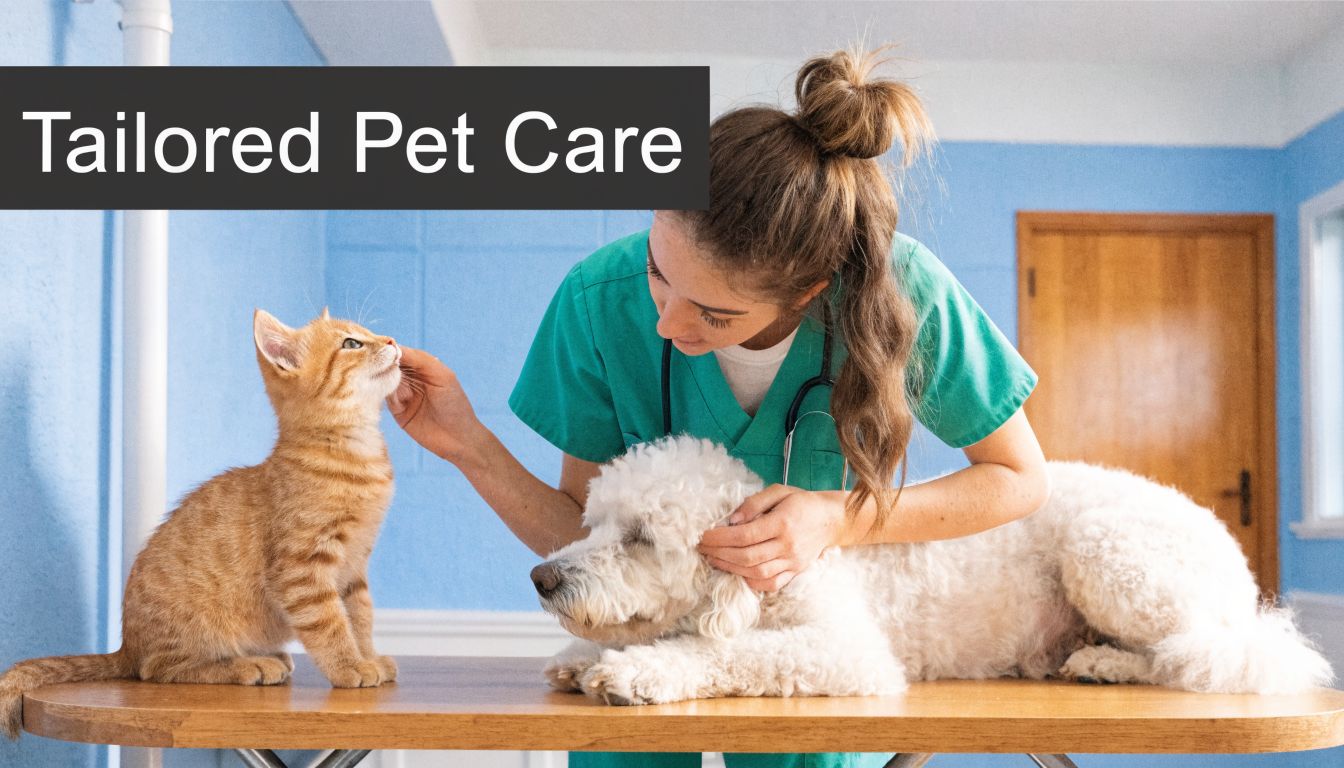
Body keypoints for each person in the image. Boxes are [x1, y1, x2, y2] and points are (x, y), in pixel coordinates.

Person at [389, 47, 1050, 768]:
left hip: (799, 663)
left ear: (810, 292)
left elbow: (1018, 478)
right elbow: (579, 533)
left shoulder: (904, 294)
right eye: (657, 272)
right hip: (651, 662)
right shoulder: (596, 303)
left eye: (714, 312)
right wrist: (466, 443)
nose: (669, 323)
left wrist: (836, 519)